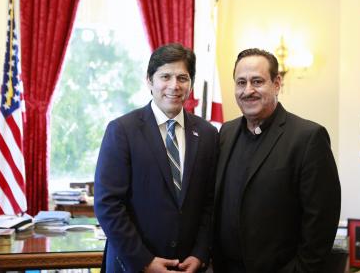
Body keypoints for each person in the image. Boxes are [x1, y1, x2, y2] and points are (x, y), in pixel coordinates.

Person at [213, 48, 341, 273]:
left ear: (277, 83)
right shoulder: (226, 132)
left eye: (257, 81)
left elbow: (321, 223)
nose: (248, 90)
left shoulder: (308, 137)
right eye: (241, 82)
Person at [94, 43, 219, 273]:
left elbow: (210, 203)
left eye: (182, 77)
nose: (174, 86)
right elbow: (108, 204)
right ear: (150, 80)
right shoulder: (122, 130)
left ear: (190, 83)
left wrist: (200, 254)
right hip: (133, 265)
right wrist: (144, 261)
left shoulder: (208, 134)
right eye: (166, 76)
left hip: (188, 266)